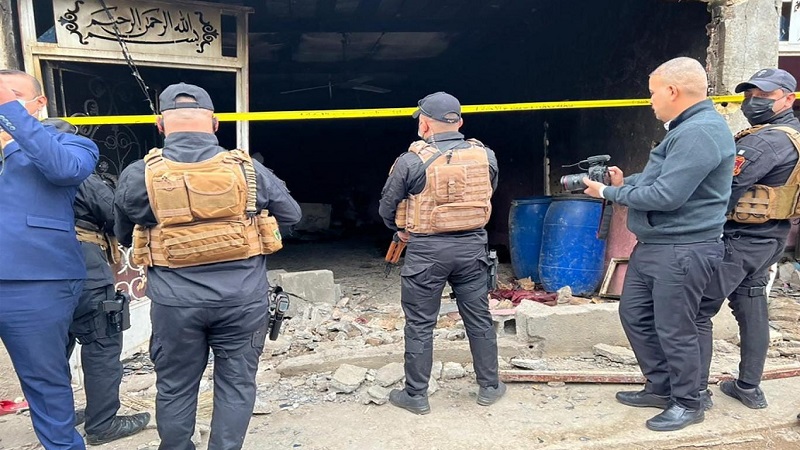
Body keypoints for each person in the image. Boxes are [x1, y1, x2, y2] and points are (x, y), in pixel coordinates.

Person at [114, 83, 302, 450]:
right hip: (242, 299)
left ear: (160, 125)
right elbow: (292, 215)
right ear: (215, 124)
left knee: (175, 386)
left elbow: (122, 235)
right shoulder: (248, 170)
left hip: (175, 303)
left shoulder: (139, 174)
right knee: (237, 384)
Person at [583, 57, 735, 431]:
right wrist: (625, 182)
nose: (650, 101)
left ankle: (688, 401)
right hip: (657, 245)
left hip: (682, 248)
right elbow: (660, 178)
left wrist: (608, 192)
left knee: (676, 328)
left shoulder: (699, 132)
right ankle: (662, 387)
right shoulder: (684, 130)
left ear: (672, 91)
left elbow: (667, 195)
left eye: (652, 93)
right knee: (635, 315)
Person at [378, 91, 505, 415]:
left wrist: (400, 228)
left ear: (424, 124)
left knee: (420, 324)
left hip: (426, 252)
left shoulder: (410, 161)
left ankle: (416, 395)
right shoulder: (485, 156)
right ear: (459, 122)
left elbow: (386, 207)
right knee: (479, 318)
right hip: (472, 250)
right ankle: (490, 387)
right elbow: (488, 192)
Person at [0, 69, 98, 449]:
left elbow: (63, 170)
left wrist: (9, 116)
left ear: (38, 103)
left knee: (44, 382)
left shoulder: (69, 144)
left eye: (11, 94)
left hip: (34, 281)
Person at [697, 68, 800, 410]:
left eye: (764, 96)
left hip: (740, 239)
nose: (752, 102)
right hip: (771, 238)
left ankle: (693, 394)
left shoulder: (767, 141)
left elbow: (723, 189)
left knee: (697, 309)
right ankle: (749, 387)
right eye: (749, 95)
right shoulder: (793, 134)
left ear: (788, 99)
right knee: (752, 305)